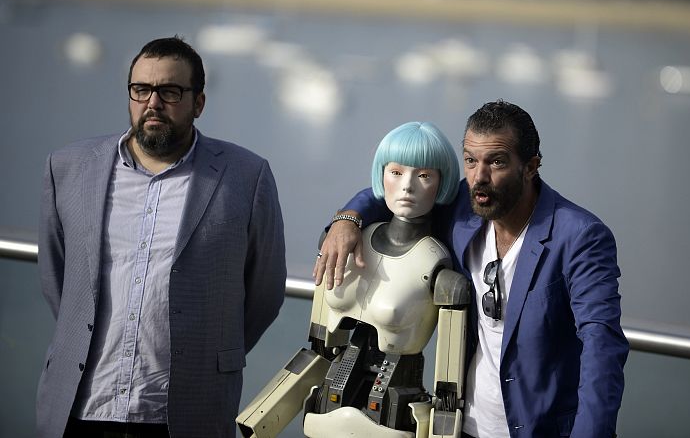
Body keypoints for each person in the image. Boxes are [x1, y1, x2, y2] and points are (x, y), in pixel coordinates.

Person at [315, 100, 628, 438]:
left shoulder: (580, 236)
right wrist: (348, 218)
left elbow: (602, 346)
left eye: (496, 162)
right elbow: (396, 193)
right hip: (460, 426)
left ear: (531, 166)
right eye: (470, 161)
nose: (479, 177)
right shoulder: (464, 210)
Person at [36, 36, 287, 438]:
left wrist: (206, 352)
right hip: (80, 409)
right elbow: (57, 278)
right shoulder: (68, 167)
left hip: (185, 413)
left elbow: (266, 290)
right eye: (141, 90)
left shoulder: (246, 176)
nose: (153, 103)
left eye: (170, 91)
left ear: (198, 103)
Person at [238, 121, 470, 438]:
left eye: (424, 175)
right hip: (325, 412)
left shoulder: (436, 265)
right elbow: (318, 347)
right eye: (396, 172)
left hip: (394, 414)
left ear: (441, 184)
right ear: (382, 174)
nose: (407, 186)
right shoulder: (346, 241)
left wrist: (443, 424)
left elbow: (448, 388)